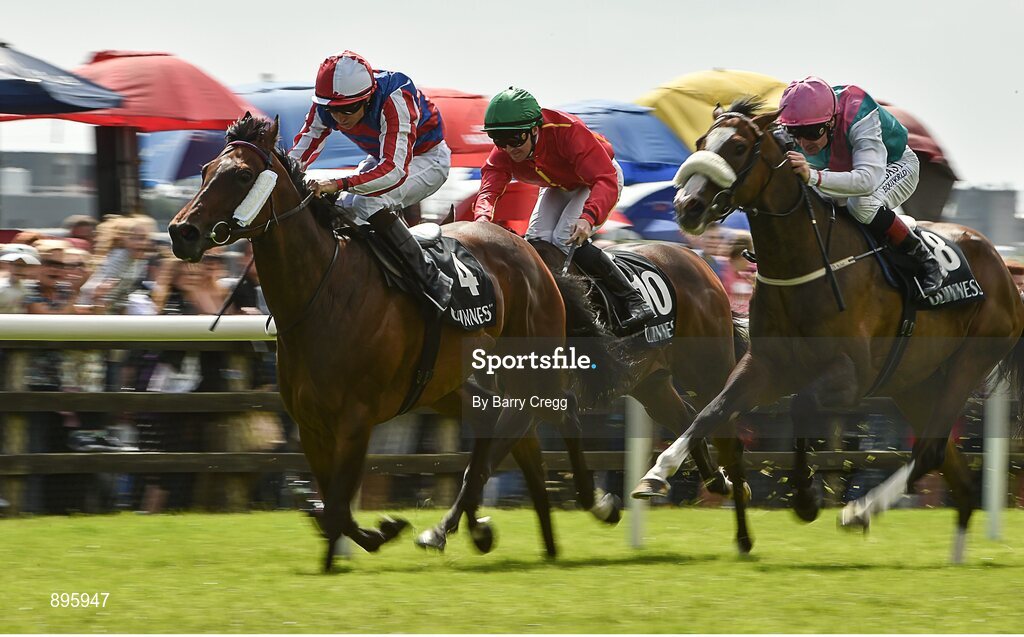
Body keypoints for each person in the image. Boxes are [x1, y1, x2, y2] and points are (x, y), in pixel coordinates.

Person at [473, 87, 654, 334]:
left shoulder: (567, 132)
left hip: (599, 179)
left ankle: (634, 300)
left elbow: (604, 179)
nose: (509, 149)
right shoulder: (507, 149)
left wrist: (588, 217)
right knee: (536, 241)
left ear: (534, 130)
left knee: (564, 237)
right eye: (499, 141)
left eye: (515, 139)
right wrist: (482, 217)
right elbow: (489, 186)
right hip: (560, 184)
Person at [289, 50, 452, 311]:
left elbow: (394, 171)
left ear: (368, 97)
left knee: (368, 203)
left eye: (349, 109)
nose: (340, 118)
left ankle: (430, 279)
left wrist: (338, 183)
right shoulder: (326, 105)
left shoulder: (396, 96)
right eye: (333, 110)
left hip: (427, 159)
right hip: (381, 157)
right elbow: (297, 158)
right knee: (341, 208)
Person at [779, 76, 945, 296]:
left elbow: (867, 181)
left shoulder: (859, 115)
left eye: (811, 133)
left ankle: (924, 258)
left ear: (830, 122)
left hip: (892, 165)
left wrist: (812, 176)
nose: (803, 143)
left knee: (861, 205)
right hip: (846, 170)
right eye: (795, 133)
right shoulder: (790, 125)